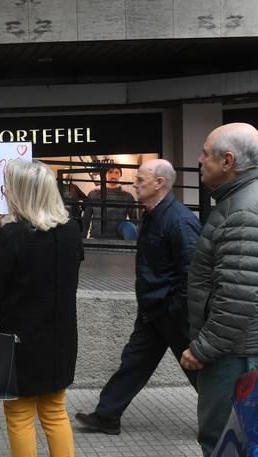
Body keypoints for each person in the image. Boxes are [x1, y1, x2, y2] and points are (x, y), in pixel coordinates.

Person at [180, 123, 258, 457]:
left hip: (234, 353)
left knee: (223, 442)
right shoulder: (248, 198)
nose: (199, 160)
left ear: (227, 161)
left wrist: (202, 349)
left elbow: (237, 299)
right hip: (240, 346)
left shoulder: (243, 212)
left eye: (205, 153)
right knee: (240, 441)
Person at [0, 159, 83, 457]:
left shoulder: (12, 236)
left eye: (7, 187)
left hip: (21, 344)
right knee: (55, 413)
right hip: (61, 340)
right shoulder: (71, 232)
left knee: (20, 417)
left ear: (20, 193)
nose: (4, 192)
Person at [75, 159, 199, 435]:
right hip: (154, 309)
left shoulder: (179, 221)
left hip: (171, 312)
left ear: (160, 183)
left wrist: (174, 309)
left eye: (141, 178)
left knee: (199, 370)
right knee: (134, 361)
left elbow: (193, 275)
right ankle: (107, 415)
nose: (135, 182)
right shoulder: (153, 215)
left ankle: (229, 419)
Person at [81, 166, 138, 239]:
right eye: (110, 172)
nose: (113, 175)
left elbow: (134, 220)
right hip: (96, 238)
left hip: (118, 240)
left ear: (120, 175)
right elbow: (86, 219)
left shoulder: (127, 197)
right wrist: (83, 239)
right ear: (105, 174)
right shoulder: (93, 194)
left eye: (116, 172)